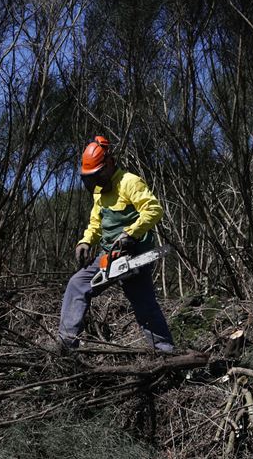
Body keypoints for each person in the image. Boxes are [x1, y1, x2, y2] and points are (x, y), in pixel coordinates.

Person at [58, 136, 174, 352]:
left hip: (135, 255)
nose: (96, 182)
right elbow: (96, 222)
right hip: (108, 254)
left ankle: (165, 351)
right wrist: (85, 241)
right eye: (91, 178)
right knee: (77, 285)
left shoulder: (130, 182)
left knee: (144, 305)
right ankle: (66, 346)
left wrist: (131, 233)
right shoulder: (99, 192)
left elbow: (154, 210)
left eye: (98, 176)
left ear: (109, 163)